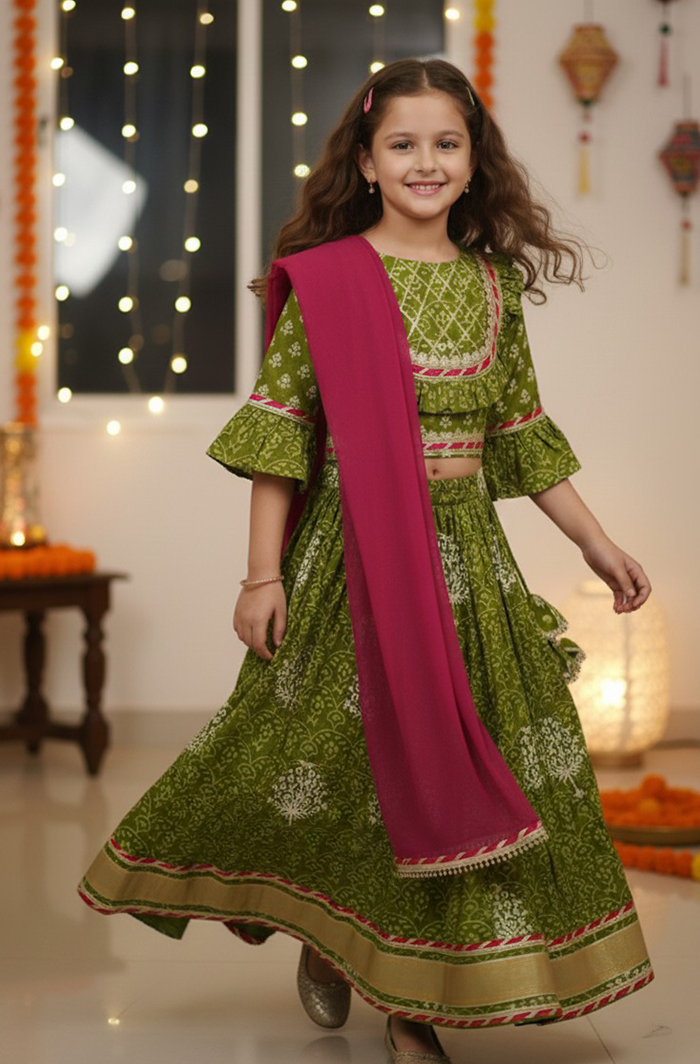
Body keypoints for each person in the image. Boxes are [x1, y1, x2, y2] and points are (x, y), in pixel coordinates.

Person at [79, 58, 654, 1062]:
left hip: (468, 567)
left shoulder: (491, 286)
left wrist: (596, 541)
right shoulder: (334, 280)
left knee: (474, 761)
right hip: (350, 561)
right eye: (403, 144)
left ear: (474, 162)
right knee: (353, 768)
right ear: (366, 161)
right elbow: (282, 434)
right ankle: (337, 936)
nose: (426, 162)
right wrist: (261, 577)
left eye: (447, 143)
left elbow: (521, 430)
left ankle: (409, 996)